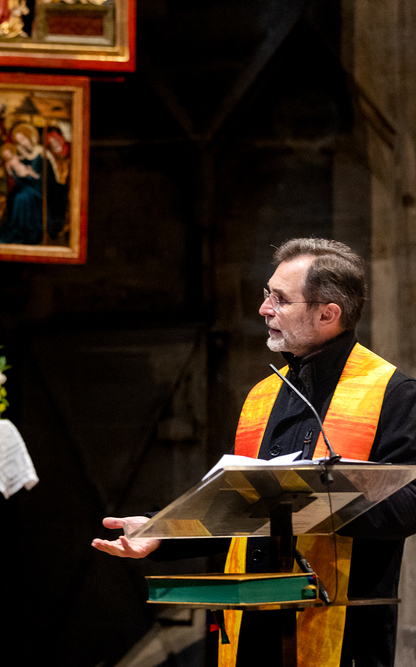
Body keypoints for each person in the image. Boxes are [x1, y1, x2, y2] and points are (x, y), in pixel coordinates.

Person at [92, 238, 416, 667]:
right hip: (251, 626)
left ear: (328, 314)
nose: (264, 309)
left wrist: (309, 497)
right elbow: (236, 501)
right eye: (267, 294)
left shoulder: (392, 393)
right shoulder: (265, 394)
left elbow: (409, 505)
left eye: (280, 299)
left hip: (341, 628)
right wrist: (161, 531)